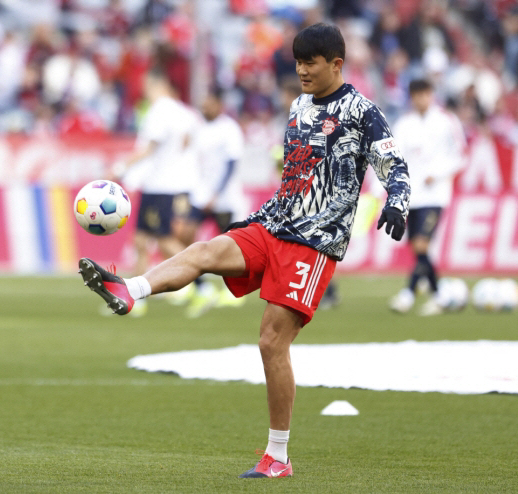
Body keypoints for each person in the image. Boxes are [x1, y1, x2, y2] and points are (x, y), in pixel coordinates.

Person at [79, 23, 410, 478]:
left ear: (336, 63)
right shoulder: (297, 106)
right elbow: (294, 173)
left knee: (271, 341)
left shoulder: (361, 110)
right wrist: (255, 219)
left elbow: (394, 163)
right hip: (273, 224)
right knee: (205, 250)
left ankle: (278, 456)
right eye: (297, 62)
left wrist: (397, 201)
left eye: (310, 62)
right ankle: (129, 288)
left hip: (314, 243)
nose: (301, 71)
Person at [112, 69, 200, 316]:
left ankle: (200, 282)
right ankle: (135, 296)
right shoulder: (184, 113)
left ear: (154, 85)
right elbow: (188, 144)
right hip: (173, 184)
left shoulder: (159, 111)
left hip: (160, 185)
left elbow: (149, 148)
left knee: (161, 240)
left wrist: (119, 168)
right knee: (141, 240)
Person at [388, 78, 465, 316]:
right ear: (411, 98)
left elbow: (461, 155)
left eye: (425, 94)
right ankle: (439, 295)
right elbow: (395, 158)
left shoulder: (446, 121)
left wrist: (438, 173)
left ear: (431, 95)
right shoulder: (404, 124)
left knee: (421, 243)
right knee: (417, 248)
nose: (421, 99)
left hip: (435, 195)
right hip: (412, 196)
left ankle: (408, 294)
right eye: (416, 95)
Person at [179, 88, 249, 317]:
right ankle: (203, 287)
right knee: (185, 235)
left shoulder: (229, 129)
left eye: (208, 103)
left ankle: (235, 290)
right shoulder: (199, 127)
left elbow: (231, 164)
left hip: (223, 198)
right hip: (200, 194)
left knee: (229, 247)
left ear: (219, 104)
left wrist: (216, 193)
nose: (204, 107)